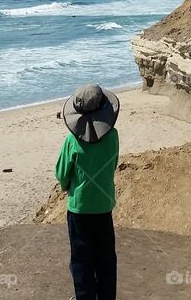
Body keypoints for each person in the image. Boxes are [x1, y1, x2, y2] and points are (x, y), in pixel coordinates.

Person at [56, 83, 121, 300]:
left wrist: (68, 186)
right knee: (106, 259)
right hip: (103, 206)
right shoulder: (113, 137)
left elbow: (62, 174)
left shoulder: (71, 140)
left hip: (79, 209)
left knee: (81, 259)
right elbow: (112, 165)